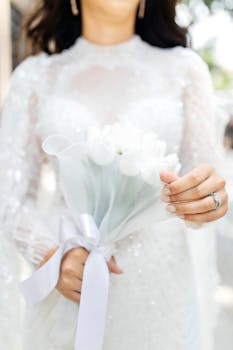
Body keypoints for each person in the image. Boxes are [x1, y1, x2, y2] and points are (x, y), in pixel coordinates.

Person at [0, 0, 228, 349]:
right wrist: (50, 255)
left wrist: (206, 200)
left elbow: (206, 179)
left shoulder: (185, 69)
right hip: (68, 288)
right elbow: (10, 197)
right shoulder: (35, 77)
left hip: (160, 292)